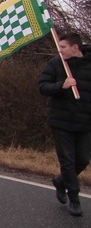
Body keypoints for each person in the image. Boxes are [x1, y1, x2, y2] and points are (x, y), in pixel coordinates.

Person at [39, 32, 91, 217]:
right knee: (67, 161)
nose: (59, 51)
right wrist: (61, 85)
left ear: (75, 47)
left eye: (63, 47)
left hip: (85, 122)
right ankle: (74, 198)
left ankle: (61, 182)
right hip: (61, 121)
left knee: (83, 159)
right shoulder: (56, 64)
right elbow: (43, 87)